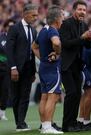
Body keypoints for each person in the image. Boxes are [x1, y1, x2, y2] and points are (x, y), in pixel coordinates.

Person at [59, 1, 91, 132]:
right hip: (67, 65)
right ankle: (66, 124)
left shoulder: (84, 25)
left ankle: (73, 123)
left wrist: (90, 38)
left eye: (84, 10)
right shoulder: (66, 24)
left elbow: (88, 46)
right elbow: (66, 44)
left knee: (77, 94)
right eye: (80, 9)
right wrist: (82, 37)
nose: (82, 12)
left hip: (78, 65)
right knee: (71, 93)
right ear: (74, 10)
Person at [31, 6, 64, 134]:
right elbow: (56, 43)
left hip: (44, 67)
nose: (63, 19)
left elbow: (34, 47)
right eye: (61, 17)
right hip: (52, 68)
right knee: (53, 96)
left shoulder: (43, 30)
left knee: (44, 97)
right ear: (57, 19)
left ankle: (44, 125)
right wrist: (58, 53)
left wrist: (43, 58)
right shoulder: (53, 31)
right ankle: (48, 127)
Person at [6, 3, 38, 131]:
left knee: (25, 96)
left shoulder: (34, 30)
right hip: (16, 68)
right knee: (15, 96)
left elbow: (34, 52)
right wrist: (13, 67)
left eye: (36, 15)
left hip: (29, 69)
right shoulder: (14, 28)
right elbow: (9, 49)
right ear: (25, 14)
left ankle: (21, 123)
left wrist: (34, 71)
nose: (36, 17)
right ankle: (19, 122)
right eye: (33, 15)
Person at [0, 19, 15, 121]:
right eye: (9, 25)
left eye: (13, 26)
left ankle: (2, 113)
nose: (11, 27)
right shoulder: (1, 37)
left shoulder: (15, 38)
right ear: (5, 26)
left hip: (8, 69)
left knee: (5, 91)